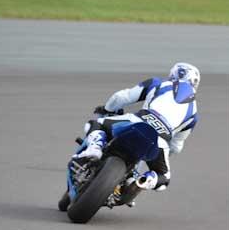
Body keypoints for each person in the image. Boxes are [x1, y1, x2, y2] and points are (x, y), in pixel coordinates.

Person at [74, 62, 200, 192]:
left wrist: (107, 109)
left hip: (137, 122)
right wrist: (164, 153)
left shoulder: (158, 83)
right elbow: (176, 146)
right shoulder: (194, 115)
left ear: (173, 74)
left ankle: (95, 148)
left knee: (96, 124)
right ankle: (142, 181)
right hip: (160, 141)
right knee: (164, 178)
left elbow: (121, 97)